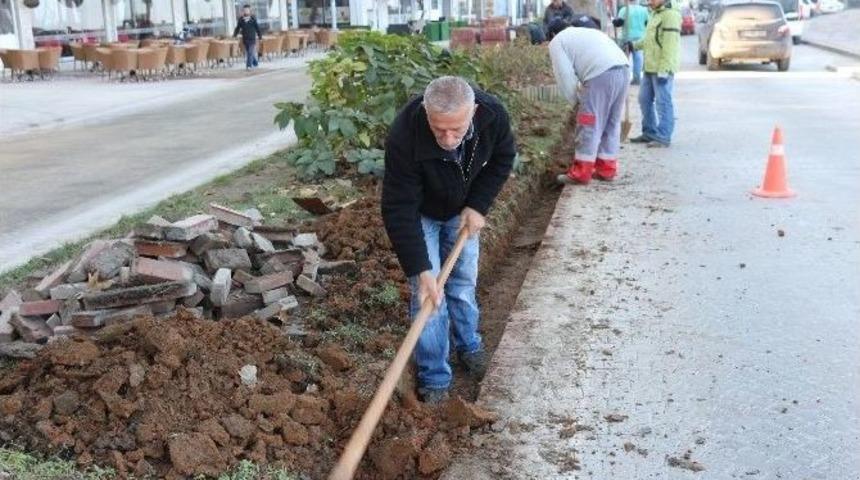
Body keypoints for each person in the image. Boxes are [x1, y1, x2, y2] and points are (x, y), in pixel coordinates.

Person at [381, 76, 516, 404]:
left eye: (456, 129)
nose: (448, 138)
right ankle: (434, 377)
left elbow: (503, 158)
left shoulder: (492, 116)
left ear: (474, 112)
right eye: (439, 129)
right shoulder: (404, 134)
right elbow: (399, 207)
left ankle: (469, 345)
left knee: (462, 283)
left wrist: (478, 205)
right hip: (422, 214)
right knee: (428, 297)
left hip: (462, 209)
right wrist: (421, 268)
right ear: (426, 112)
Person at [547, 19, 630, 184]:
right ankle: (606, 169)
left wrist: (576, 102)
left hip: (600, 74)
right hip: (624, 68)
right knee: (611, 122)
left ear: (552, 34)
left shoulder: (557, 41)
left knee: (588, 122)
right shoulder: (585, 32)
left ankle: (581, 172)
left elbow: (565, 76)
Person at [629, 0, 681, 147]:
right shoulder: (654, 13)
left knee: (663, 102)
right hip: (650, 66)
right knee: (644, 99)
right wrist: (633, 45)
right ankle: (650, 132)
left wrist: (664, 70)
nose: (649, 1)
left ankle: (663, 136)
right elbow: (649, 40)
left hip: (662, 68)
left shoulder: (670, 15)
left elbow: (670, 46)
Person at [614, 0, 649, 84]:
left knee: (624, 59)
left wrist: (614, 22)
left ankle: (624, 79)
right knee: (638, 59)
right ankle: (636, 79)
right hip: (639, 38)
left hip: (626, 38)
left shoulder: (624, 10)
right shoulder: (644, 10)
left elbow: (619, 23)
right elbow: (647, 23)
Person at [233, 4, 262, 69]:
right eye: (245, 10)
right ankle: (255, 63)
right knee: (250, 53)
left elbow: (257, 28)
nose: (246, 11)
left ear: (249, 10)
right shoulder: (241, 19)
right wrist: (234, 35)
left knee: (250, 52)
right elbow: (237, 28)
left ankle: (248, 65)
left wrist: (260, 36)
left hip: (252, 39)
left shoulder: (253, 19)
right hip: (245, 39)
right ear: (243, 11)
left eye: (247, 10)